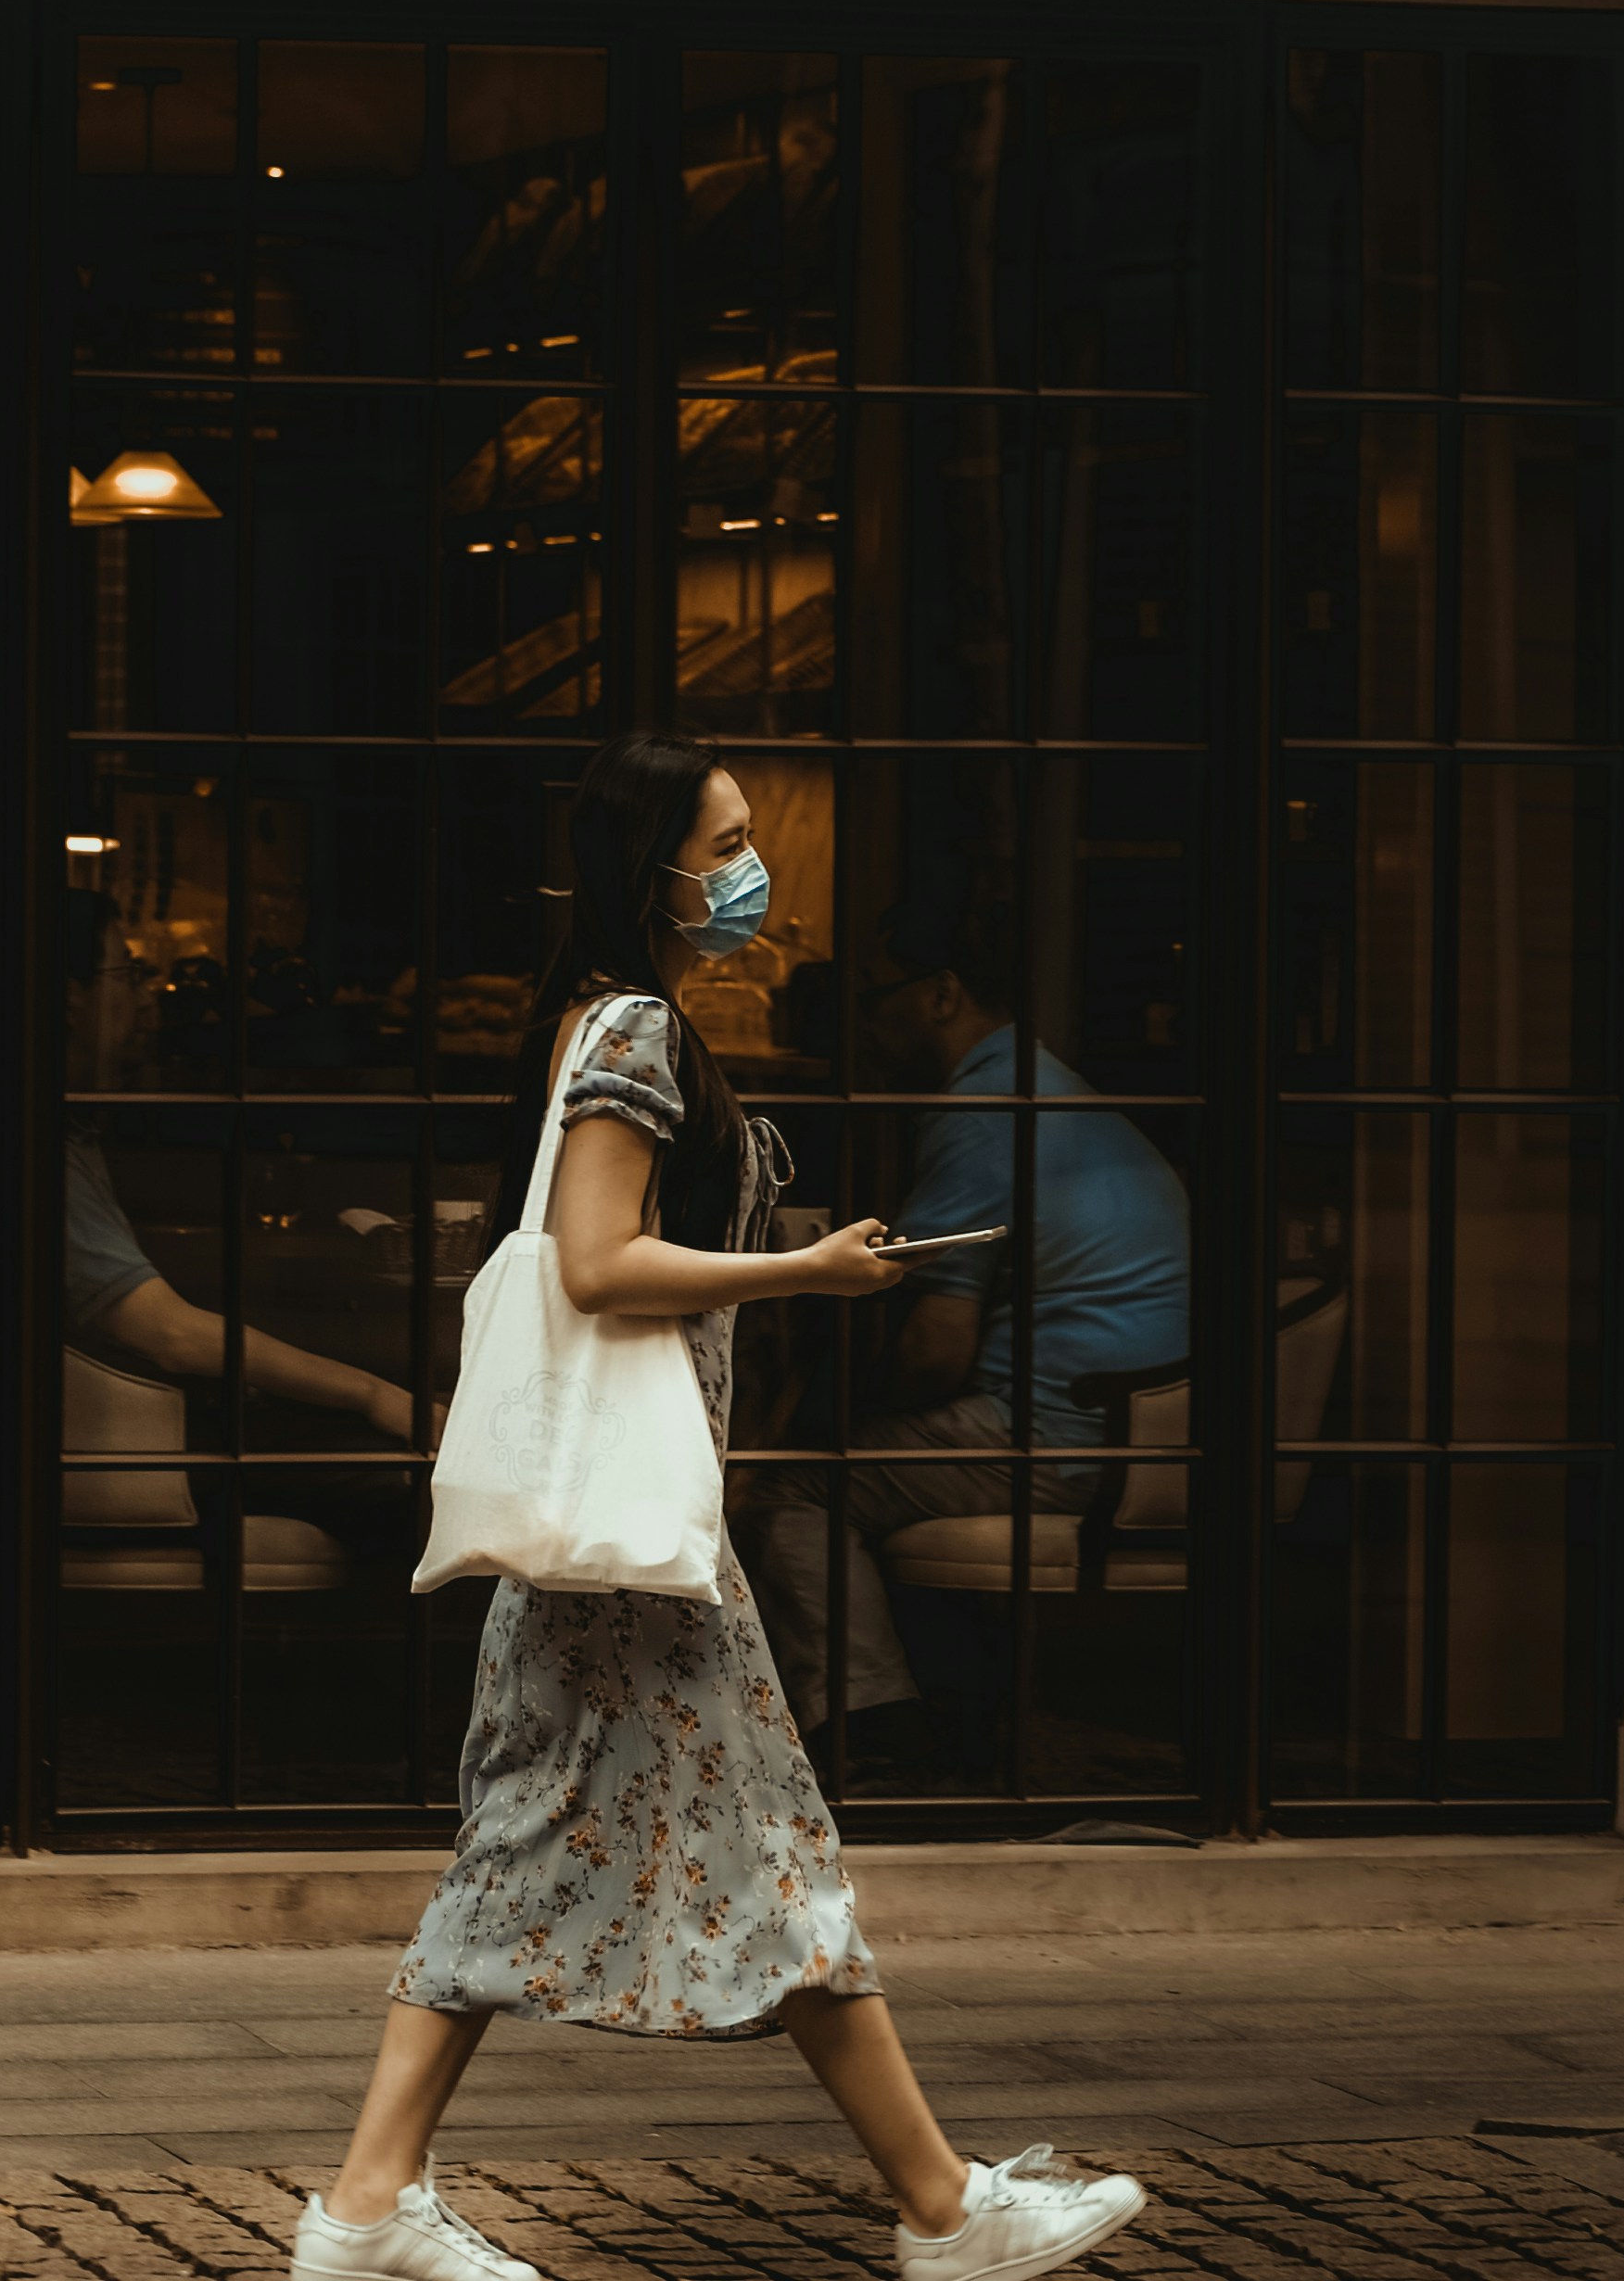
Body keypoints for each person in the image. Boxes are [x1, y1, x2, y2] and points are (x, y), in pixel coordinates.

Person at [292, 731, 1148, 2281]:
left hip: (622, 1533)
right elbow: (596, 1259)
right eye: (731, 836)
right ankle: (945, 2210)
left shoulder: (613, 1020)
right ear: (658, 869)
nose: (755, 867)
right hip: (637, 1545)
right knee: (760, 1846)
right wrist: (805, 1269)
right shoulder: (629, 1030)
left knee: (556, 1838)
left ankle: (369, 2206)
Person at [746, 900, 1191, 1755]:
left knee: (786, 1484)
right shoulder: (1039, 1082)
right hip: (1149, 1421)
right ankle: (941, 1696)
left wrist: (834, 1406)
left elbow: (934, 1350)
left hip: (1067, 1432)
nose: (864, 1021)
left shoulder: (987, 1107)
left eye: (875, 996)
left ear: (941, 995)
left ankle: (869, 1723)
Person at [0, 897, 412, 1437]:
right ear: (69, 997)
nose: (147, 1002)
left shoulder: (31, 1120)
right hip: (96, 1454)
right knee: (394, 1466)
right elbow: (172, 1337)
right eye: (129, 976)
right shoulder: (14, 1145)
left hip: (92, 1428)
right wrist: (373, 1394)